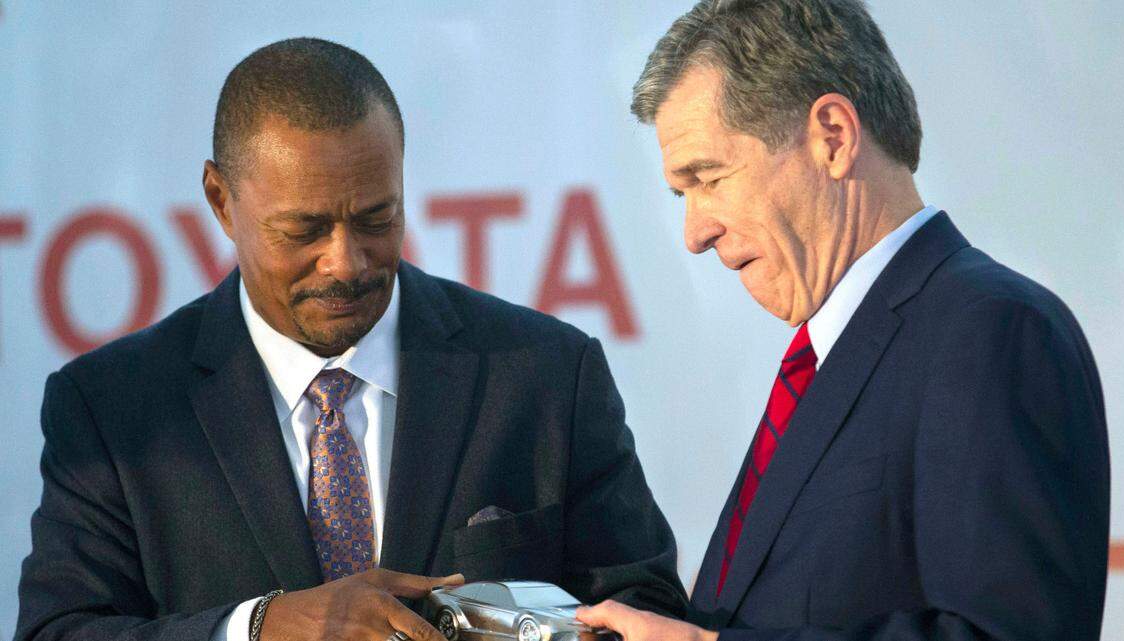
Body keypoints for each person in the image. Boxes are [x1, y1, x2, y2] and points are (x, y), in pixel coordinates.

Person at [16, 38, 686, 641]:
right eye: (304, 230)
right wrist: (259, 626)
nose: (346, 262)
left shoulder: (543, 374)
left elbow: (646, 610)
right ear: (221, 201)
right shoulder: (113, 410)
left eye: (376, 217)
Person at [576, 1, 1110, 639]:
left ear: (832, 136)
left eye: (710, 176)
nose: (694, 233)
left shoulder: (994, 332)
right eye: (680, 193)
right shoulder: (835, 354)